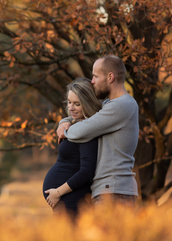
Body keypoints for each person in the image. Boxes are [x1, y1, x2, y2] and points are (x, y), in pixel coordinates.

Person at [56, 55, 139, 208]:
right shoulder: (110, 104)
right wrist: (65, 121)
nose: (92, 81)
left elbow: (82, 130)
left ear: (110, 77)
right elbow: (84, 112)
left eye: (95, 76)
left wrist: (66, 130)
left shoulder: (121, 106)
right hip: (110, 190)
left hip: (114, 192)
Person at [43, 77, 102, 215]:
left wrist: (58, 192)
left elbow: (86, 172)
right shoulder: (77, 125)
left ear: (87, 103)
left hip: (72, 200)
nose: (70, 107)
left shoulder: (87, 130)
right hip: (66, 200)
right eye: (69, 102)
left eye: (77, 104)